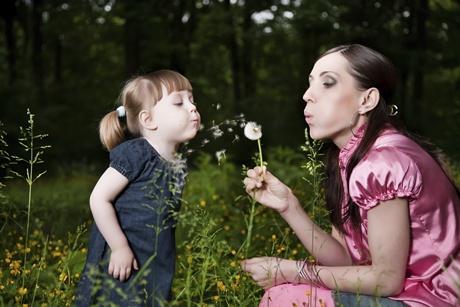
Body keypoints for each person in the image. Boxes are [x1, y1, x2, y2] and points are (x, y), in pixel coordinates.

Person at [241, 44, 460, 307]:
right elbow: (344, 258)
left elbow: (386, 280)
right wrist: (289, 206)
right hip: (409, 296)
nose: (307, 96)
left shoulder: (383, 162)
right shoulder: (352, 158)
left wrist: (294, 271)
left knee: (285, 297)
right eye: (310, 84)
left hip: (434, 299)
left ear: (367, 100)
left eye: (328, 83)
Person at [74, 70, 201, 306]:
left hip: (154, 254)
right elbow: (99, 198)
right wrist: (119, 247)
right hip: (121, 256)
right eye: (179, 102)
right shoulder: (138, 153)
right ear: (148, 119)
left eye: (192, 100)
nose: (192, 107)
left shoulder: (177, 160)